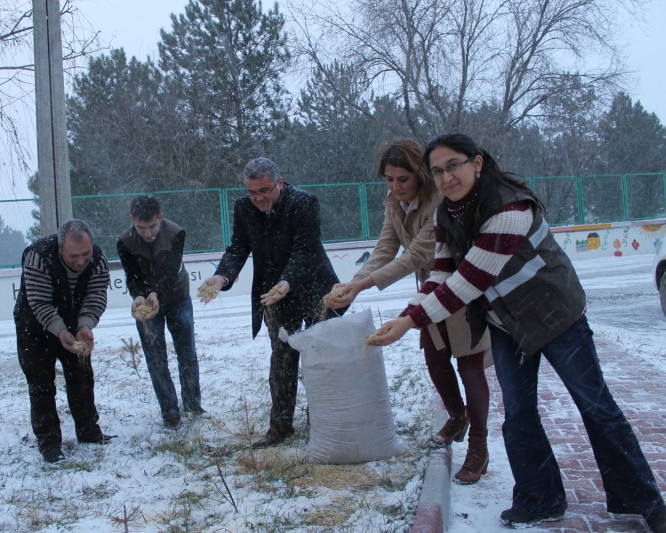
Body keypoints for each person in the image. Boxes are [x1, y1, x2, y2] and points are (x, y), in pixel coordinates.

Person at [367, 133, 666, 532]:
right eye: (437, 171)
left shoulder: (509, 208)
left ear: (477, 162)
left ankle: (645, 501)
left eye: (453, 165)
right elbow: (441, 274)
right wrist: (410, 311)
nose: (446, 177)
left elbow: (468, 281)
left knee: (596, 407)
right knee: (519, 413)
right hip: (504, 322)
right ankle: (540, 498)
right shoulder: (445, 216)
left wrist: (407, 322)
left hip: (555, 316)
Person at [327, 138, 491, 484]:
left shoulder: (439, 201)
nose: (395, 186)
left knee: (469, 366)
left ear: (419, 174)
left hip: (462, 285)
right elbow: (387, 246)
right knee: (434, 358)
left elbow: (416, 254)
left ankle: (479, 445)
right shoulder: (393, 203)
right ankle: (457, 416)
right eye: (388, 179)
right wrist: (353, 282)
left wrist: (363, 286)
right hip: (430, 288)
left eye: (402, 179)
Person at [197, 157, 346, 448]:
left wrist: (287, 281)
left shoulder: (305, 202)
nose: (259, 198)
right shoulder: (243, 208)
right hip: (274, 296)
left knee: (323, 357)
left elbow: (306, 249)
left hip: (315, 289)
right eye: (252, 192)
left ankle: (326, 421)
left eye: (265, 190)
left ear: (280, 182)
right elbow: (238, 248)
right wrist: (220, 277)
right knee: (281, 359)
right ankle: (280, 426)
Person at [14, 219, 114, 464]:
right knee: (41, 384)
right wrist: (59, 331)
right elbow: (40, 302)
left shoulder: (98, 259)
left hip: (74, 321)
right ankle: (49, 442)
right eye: (73, 256)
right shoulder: (38, 256)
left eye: (85, 254)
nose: (80, 261)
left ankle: (88, 430)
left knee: (81, 376)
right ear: (60, 249)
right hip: (34, 326)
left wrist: (84, 327)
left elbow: (96, 294)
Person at [117, 195, 203, 429]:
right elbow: (131, 275)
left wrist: (156, 293)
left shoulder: (176, 233)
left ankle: (193, 405)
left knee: (187, 353)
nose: (147, 233)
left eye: (152, 226)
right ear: (132, 220)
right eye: (141, 227)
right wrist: (138, 296)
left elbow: (171, 272)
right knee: (156, 358)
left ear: (161, 218)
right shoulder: (124, 241)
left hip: (177, 296)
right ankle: (170, 413)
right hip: (145, 303)